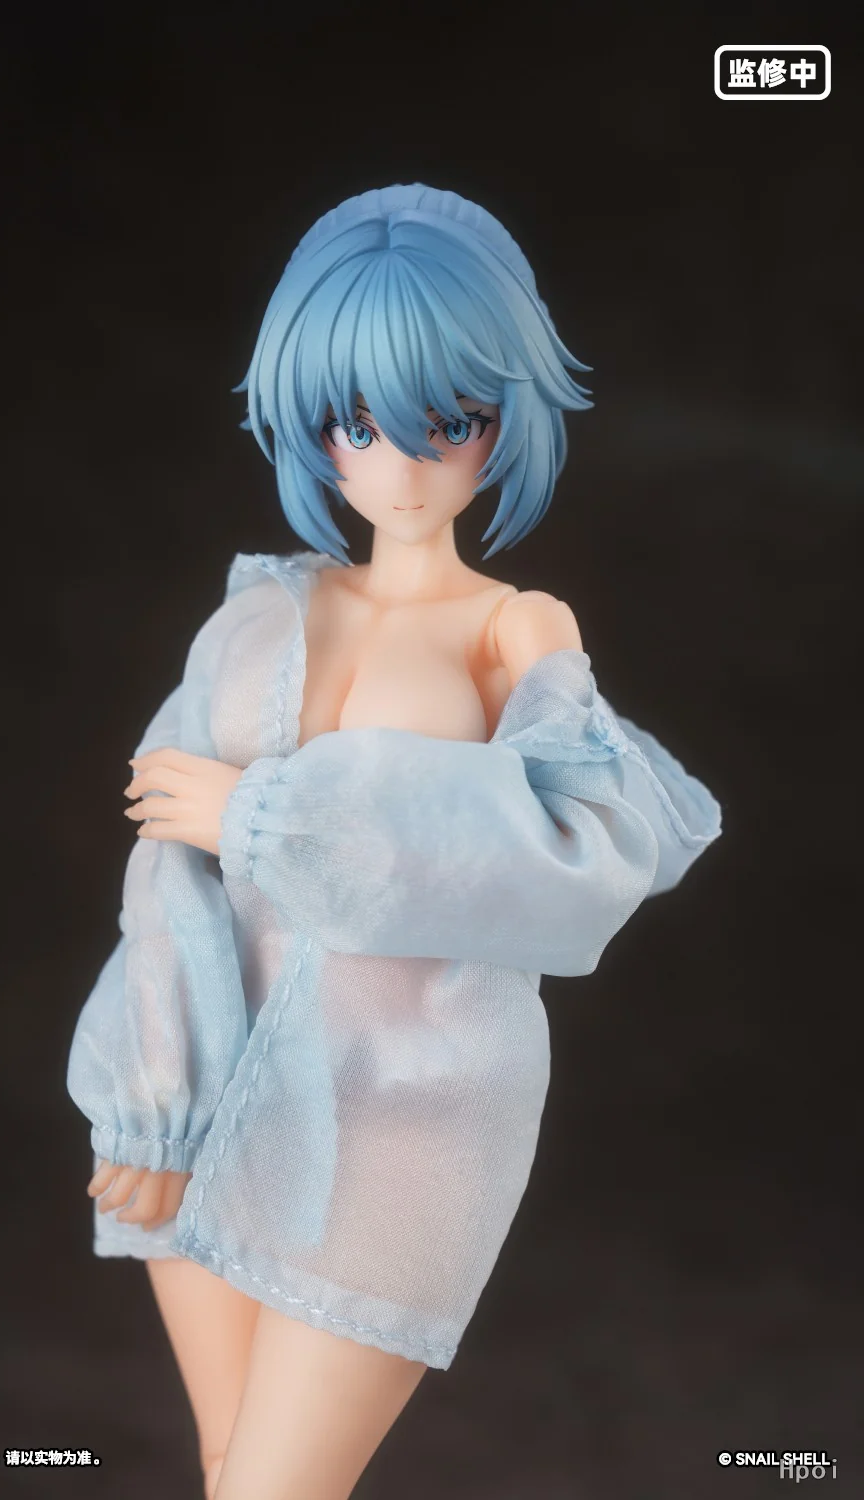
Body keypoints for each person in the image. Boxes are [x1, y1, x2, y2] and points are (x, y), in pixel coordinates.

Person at [68, 184, 721, 1500]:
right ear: (313, 430)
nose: (404, 466)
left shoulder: (515, 630)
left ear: (506, 420)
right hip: (206, 1090)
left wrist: (259, 815)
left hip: (406, 1120)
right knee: (226, 1469)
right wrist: (152, 1096)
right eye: (358, 425)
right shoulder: (258, 617)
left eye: (451, 421)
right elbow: (167, 875)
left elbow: (577, 862)